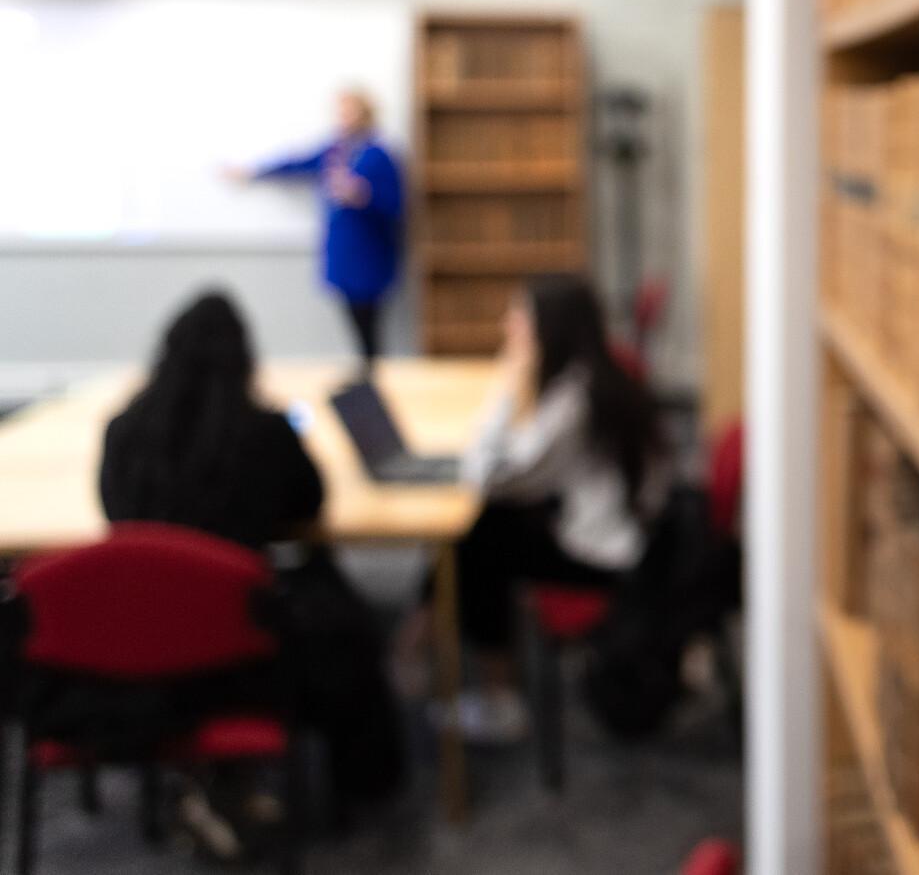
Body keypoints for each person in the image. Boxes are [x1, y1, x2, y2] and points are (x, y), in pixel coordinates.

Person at [98, 291, 406, 819]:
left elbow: (113, 515)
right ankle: (364, 788)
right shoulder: (261, 432)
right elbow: (311, 502)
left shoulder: (123, 431)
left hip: (140, 639)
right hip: (246, 644)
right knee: (345, 623)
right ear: (244, 357)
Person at [443, 274, 669, 743]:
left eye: (519, 316)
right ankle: (424, 635)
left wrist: (506, 385)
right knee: (486, 526)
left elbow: (489, 476)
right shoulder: (593, 376)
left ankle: (498, 698)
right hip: (615, 531)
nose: (508, 325)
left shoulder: (574, 400)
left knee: (478, 539)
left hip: (605, 555)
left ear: (549, 328)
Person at [233, 87, 403, 365]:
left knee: (369, 328)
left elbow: (395, 205)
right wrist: (253, 171)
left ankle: (372, 382)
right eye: (341, 112)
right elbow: (295, 164)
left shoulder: (379, 155)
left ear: (365, 114)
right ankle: (366, 377)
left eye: (350, 111)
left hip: (370, 257)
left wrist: (362, 195)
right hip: (342, 255)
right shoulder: (335, 151)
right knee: (353, 322)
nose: (344, 118)